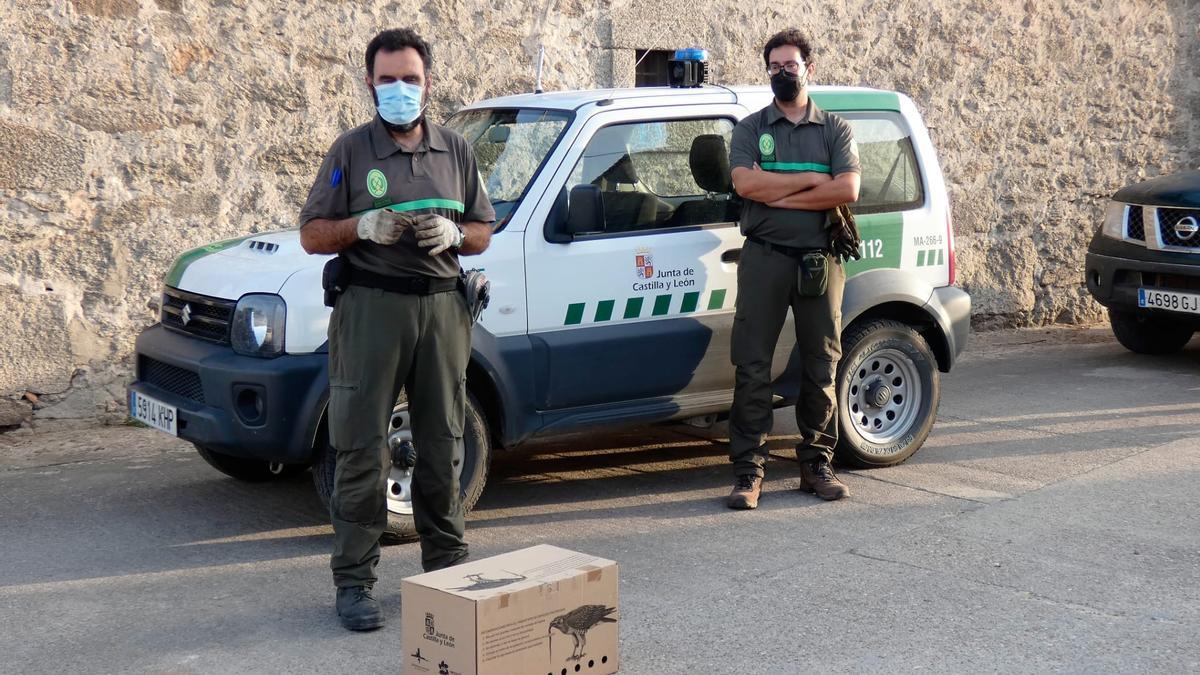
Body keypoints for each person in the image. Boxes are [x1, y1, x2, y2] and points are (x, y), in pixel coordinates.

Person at [297, 28, 494, 631]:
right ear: (370, 85)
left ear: (428, 82)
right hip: (371, 310)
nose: (400, 89)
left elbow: (485, 228)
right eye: (388, 80)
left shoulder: (456, 151)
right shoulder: (351, 152)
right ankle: (354, 583)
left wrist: (458, 236)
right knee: (360, 448)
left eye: (410, 78)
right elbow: (310, 234)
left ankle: (448, 571)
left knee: (442, 444)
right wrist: (359, 227)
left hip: (441, 309)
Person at [725, 29, 861, 509]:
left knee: (821, 363)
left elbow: (846, 190)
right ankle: (748, 472)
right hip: (763, 257)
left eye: (791, 65)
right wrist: (808, 180)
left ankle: (816, 463)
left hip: (819, 260)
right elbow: (744, 184)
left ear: (810, 68)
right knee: (752, 365)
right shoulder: (750, 128)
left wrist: (774, 188)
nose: (783, 73)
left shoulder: (835, 130)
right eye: (775, 66)